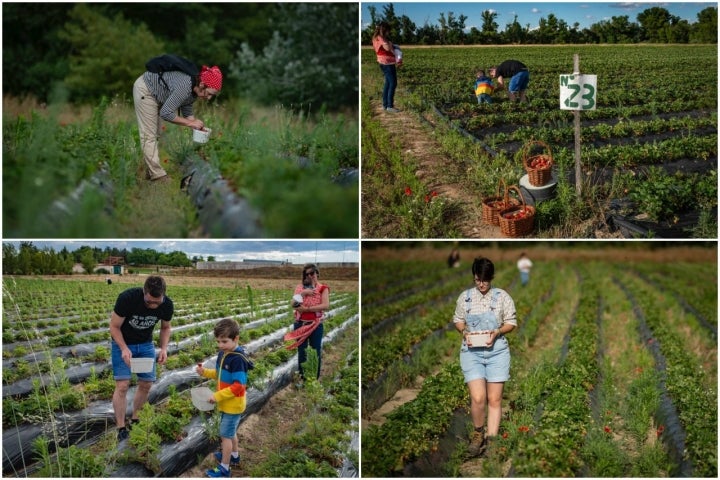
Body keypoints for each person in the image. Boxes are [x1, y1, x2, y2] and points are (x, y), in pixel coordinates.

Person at [453, 257, 517, 457]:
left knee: (494, 398)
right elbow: (458, 320)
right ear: (474, 277)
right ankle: (478, 434)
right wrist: (464, 332)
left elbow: (511, 323)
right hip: (471, 352)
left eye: (485, 280)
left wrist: (497, 332)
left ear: (492, 278)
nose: (481, 284)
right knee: (478, 397)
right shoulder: (465, 298)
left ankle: (492, 440)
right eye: (478, 280)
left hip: (497, 351)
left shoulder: (502, 297)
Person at [133, 60, 222, 182]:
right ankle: (158, 176)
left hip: (158, 96)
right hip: (146, 90)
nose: (209, 97)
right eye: (209, 93)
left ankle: (150, 171)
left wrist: (196, 125)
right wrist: (190, 123)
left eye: (212, 96)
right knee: (149, 135)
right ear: (202, 84)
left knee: (156, 133)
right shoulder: (185, 85)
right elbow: (166, 113)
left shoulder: (195, 90)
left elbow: (186, 105)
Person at [110, 276, 173, 441]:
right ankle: (121, 427)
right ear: (143, 292)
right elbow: (114, 326)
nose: (152, 305)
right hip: (122, 343)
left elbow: (165, 328)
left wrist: (164, 348)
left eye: (156, 302)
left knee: (146, 383)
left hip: (145, 345)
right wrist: (123, 348)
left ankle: (136, 418)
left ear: (163, 296)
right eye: (149, 301)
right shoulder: (128, 298)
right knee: (122, 385)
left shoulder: (167, 305)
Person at [197, 318, 253, 478]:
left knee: (225, 436)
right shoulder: (224, 353)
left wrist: (217, 396)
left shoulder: (237, 359)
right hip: (225, 403)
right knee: (230, 432)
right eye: (218, 341)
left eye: (224, 341)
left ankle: (225, 468)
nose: (220, 345)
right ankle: (234, 456)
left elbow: (239, 386)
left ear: (236, 339)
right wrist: (205, 372)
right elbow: (219, 374)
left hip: (233, 405)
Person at [284, 263, 330, 380]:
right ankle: (302, 378)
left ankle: (315, 377)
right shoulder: (300, 288)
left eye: (312, 273)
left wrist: (307, 309)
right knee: (302, 352)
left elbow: (325, 305)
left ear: (317, 273)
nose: (310, 276)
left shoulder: (323, 288)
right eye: (307, 274)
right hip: (301, 323)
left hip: (315, 325)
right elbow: (293, 304)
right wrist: (304, 293)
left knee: (316, 352)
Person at [372, 21, 401, 113]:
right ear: (385, 30)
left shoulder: (378, 38)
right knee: (393, 83)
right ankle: (389, 106)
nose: (389, 32)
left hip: (386, 62)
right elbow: (387, 48)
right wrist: (392, 45)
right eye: (388, 30)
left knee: (388, 83)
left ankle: (385, 105)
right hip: (386, 63)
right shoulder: (380, 38)